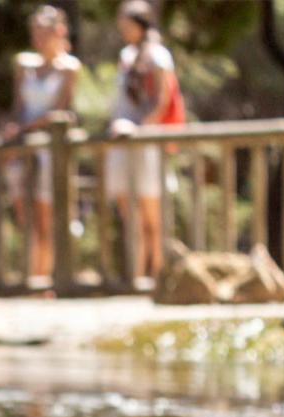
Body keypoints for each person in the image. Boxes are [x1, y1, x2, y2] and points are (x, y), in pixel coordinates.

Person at [2, 5, 80, 281]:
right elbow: (18, 107)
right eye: (35, 32)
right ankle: (28, 274)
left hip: (50, 151)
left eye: (44, 32)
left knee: (47, 216)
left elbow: (59, 112)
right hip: (22, 149)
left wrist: (22, 128)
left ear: (58, 32)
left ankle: (45, 275)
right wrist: (12, 131)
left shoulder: (70, 68)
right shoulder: (24, 65)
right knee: (25, 216)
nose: (38, 39)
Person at [106, 0, 182, 280]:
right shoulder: (125, 56)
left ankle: (159, 277)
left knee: (152, 217)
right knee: (130, 217)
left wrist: (138, 129)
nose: (121, 28)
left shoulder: (158, 56)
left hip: (147, 142)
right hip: (122, 141)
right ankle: (136, 277)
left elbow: (162, 100)